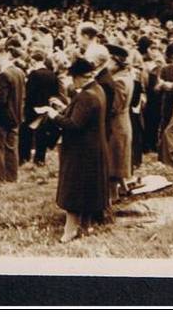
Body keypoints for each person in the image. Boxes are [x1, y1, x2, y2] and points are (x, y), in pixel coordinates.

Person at [43, 58, 110, 243]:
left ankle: (70, 231)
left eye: (73, 77)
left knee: (74, 190)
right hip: (93, 147)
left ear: (80, 77)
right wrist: (64, 107)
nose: (72, 81)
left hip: (81, 151)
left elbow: (74, 124)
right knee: (89, 190)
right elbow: (83, 116)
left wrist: (54, 115)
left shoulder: (86, 96)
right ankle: (86, 226)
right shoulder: (97, 90)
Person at [0, 49, 26, 183]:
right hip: (16, 115)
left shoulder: (3, 75)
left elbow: (0, 100)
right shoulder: (19, 72)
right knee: (11, 148)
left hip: (2, 117)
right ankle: (12, 176)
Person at [20, 50, 60, 167]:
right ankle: (40, 159)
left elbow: (29, 93)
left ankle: (24, 157)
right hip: (46, 107)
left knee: (26, 132)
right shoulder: (52, 74)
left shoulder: (34, 74)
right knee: (42, 134)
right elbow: (55, 92)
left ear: (33, 61)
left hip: (33, 107)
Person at [104, 44, 134, 198]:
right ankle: (123, 188)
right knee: (118, 159)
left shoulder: (118, 81)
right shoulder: (125, 76)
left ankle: (113, 196)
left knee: (113, 162)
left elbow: (114, 107)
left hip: (117, 125)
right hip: (123, 122)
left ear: (116, 62)